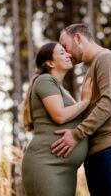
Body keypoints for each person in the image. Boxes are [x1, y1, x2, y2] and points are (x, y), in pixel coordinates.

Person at [51, 24, 111, 196]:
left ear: (78, 38)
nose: (66, 54)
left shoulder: (107, 59)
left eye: (65, 47)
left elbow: (108, 103)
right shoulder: (92, 68)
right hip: (99, 151)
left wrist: (76, 134)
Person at [21, 42, 92, 196]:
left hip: (64, 169)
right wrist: (85, 101)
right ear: (50, 62)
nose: (68, 55)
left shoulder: (59, 87)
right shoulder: (45, 80)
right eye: (62, 52)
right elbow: (60, 115)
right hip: (46, 164)